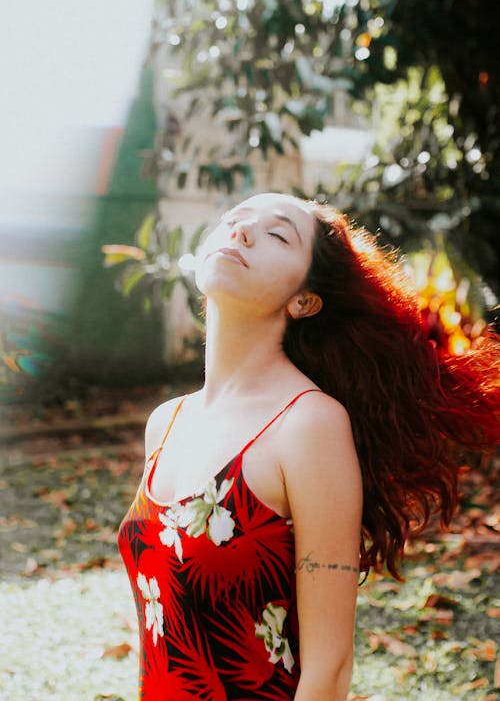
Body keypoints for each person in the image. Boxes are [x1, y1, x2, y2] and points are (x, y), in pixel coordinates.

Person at [118, 192, 499, 701]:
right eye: (233, 219)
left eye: (277, 234)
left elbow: (330, 669)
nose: (241, 231)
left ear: (304, 300)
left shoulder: (309, 425)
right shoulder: (165, 424)